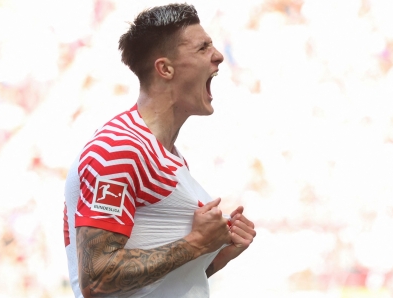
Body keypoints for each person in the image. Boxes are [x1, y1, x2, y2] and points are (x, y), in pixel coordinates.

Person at [63, 4, 256, 297]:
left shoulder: (168, 155)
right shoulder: (120, 148)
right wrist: (197, 243)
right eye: (203, 48)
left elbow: (157, 282)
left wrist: (218, 254)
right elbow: (98, 277)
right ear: (165, 68)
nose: (218, 56)